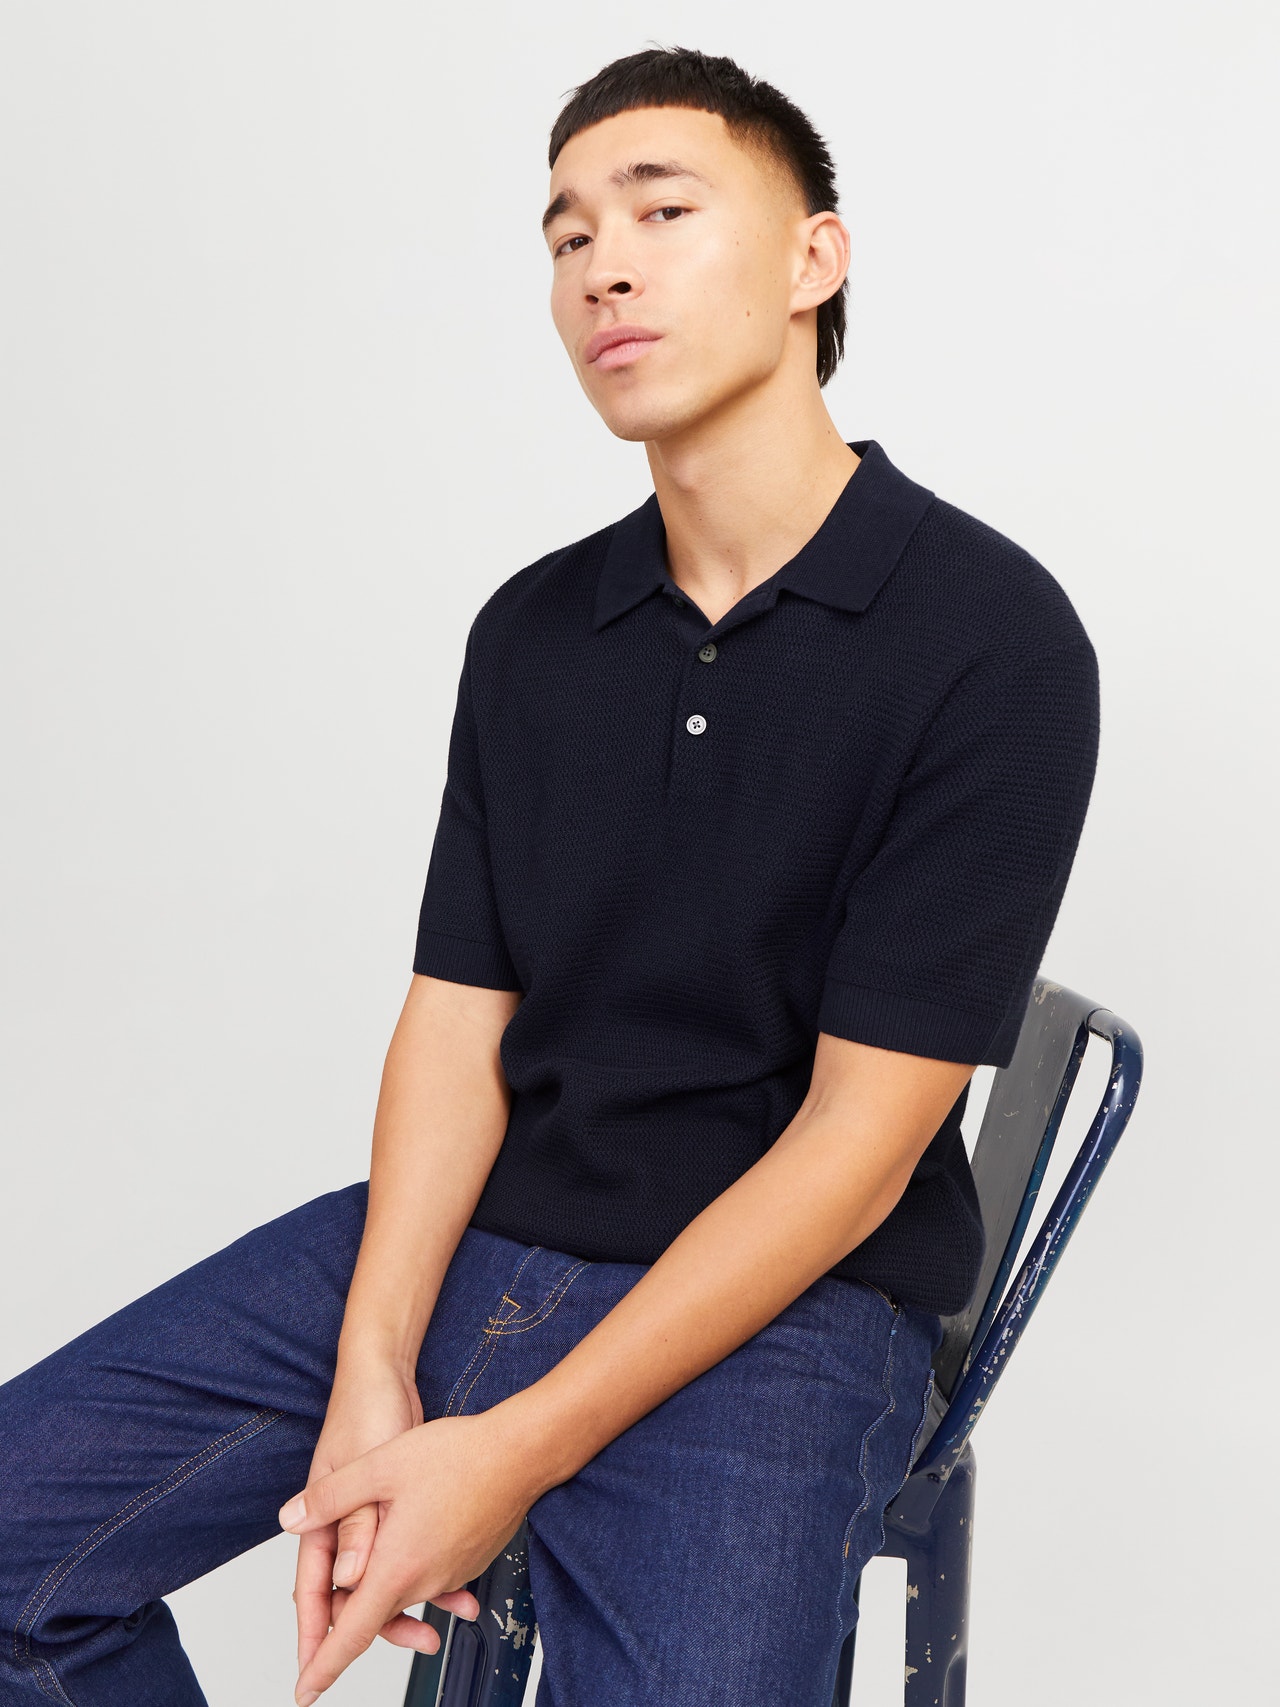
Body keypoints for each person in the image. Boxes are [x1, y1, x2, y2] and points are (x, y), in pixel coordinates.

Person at [0, 44, 1101, 1707]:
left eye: (661, 211)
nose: (603, 267)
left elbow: (855, 1153)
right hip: (495, 1236)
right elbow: (458, 1021)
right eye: (568, 235)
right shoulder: (534, 632)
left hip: (786, 1301)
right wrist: (375, 1366)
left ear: (813, 258)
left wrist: (510, 1450)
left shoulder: (989, 641)